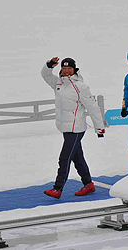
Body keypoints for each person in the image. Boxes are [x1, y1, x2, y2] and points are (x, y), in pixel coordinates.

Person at [41, 57, 105, 199]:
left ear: (74, 70)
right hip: (65, 128)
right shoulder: (58, 83)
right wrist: (50, 65)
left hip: (76, 129)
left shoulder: (81, 87)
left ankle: (57, 189)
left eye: (69, 68)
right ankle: (88, 184)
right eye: (64, 68)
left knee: (64, 158)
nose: (66, 71)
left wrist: (99, 127)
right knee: (77, 157)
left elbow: (92, 107)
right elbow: (45, 74)